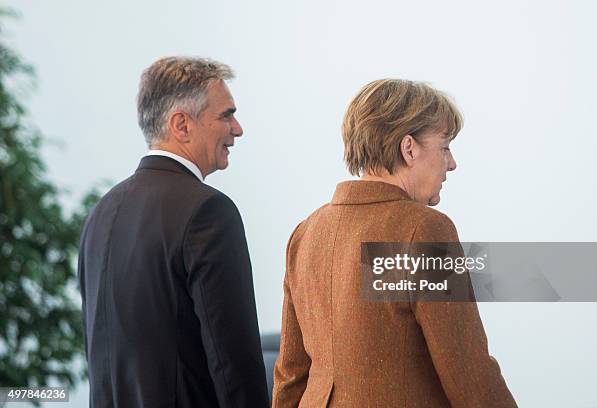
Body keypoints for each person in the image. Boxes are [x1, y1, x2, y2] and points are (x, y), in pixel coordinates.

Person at [272, 79, 517, 407]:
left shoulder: (306, 232)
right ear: (409, 148)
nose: (452, 163)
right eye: (444, 147)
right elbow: (468, 373)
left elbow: (291, 374)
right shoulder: (424, 230)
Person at [78, 57, 269, 407]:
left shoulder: (100, 214)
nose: (237, 128)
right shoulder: (209, 212)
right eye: (225, 115)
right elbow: (234, 364)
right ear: (181, 124)